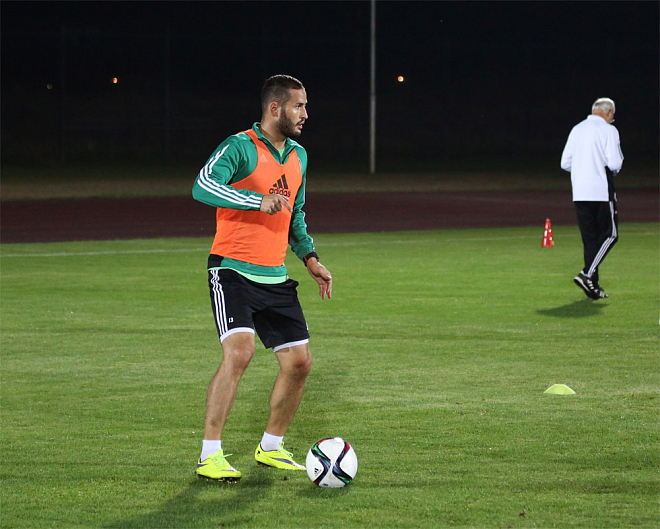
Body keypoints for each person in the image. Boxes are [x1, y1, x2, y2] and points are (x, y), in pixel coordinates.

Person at [191, 75, 333, 481]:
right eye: (298, 106)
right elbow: (203, 186)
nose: (305, 114)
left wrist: (309, 257)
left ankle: (270, 447)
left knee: (299, 363)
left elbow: (294, 213)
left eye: (305, 106)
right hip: (232, 269)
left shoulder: (299, 156)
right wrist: (256, 200)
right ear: (275, 108)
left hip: (275, 275)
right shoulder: (239, 147)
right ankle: (210, 455)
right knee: (240, 353)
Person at [561, 97, 624, 300]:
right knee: (610, 235)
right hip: (601, 191)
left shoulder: (576, 129)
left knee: (590, 240)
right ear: (608, 112)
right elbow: (614, 163)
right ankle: (586, 274)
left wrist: (583, 169)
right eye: (612, 116)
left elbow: (565, 163)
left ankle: (592, 287)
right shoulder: (609, 130)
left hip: (580, 192)